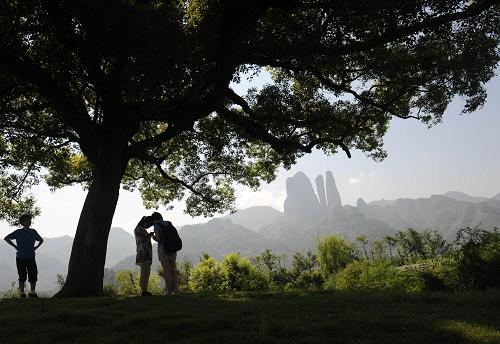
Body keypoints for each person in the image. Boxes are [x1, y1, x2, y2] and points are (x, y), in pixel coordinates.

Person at [4, 214, 44, 298]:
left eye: (29, 220)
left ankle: (32, 293)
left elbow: (41, 240)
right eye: (27, 220)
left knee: (33, 274)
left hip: (31, 257)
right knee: (22, 275)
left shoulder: (33, 231)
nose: (29, 222)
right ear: (22, 222)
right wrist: (15, 246)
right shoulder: (18, 232)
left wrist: (35, 247)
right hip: (20, 257)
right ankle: (22, 294)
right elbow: (6, 238)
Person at [151, 211, 179, 295]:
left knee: (166, 270)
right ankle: (176, 291)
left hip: (163, 248)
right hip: (173, 247)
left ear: (154, 220)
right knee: (173, 269)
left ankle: (169, 291)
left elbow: (159, 239)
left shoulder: (156, 225)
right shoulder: (168, 223)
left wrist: (153, 237)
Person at [134, 216, 154, 296]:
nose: (148, 226)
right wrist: (149, 235)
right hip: (143, 253)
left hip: (146, 253)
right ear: (145, 222)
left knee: (146, 272)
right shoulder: (139, 229)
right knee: (144, 272)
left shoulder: (142, 229)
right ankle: (143, 290)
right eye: (149, 224)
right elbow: (141, 240)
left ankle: (145, 290)